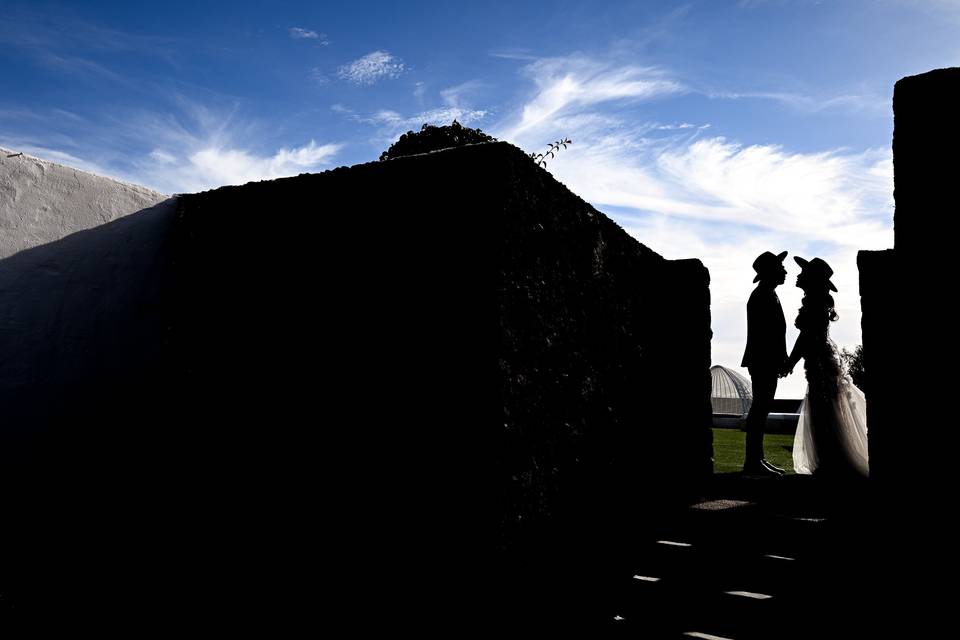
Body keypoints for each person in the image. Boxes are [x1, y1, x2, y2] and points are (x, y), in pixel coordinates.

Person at [784, 257, 869, 478]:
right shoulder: (816, 301)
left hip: (820, 362)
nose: (798, 275)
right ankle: (830, 459)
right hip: (821, 359)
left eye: (803, 272)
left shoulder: (814, 303)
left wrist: (791, 361)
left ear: (811, 279)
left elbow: (806, 337)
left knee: (824, 411)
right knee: (826, 409)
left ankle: (831, 461)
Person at [740, 251, 789, 476]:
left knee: (762, 408)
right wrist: (779, 359)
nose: (785, 271)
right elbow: (766, 335)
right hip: (763, 361)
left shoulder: (768, 294)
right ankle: (753, 461)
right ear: (771, 272)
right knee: (759, 409)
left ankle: (757, 458)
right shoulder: (761, 296)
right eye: (780, 267)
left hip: (766, 360)